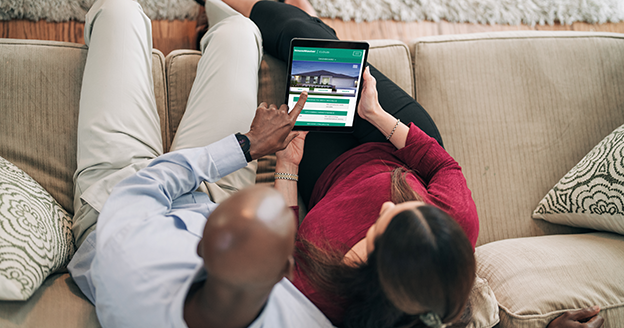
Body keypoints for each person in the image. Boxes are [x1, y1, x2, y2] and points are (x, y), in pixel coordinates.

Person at [218, 1, 608, 327]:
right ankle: (295, 12)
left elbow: (284, 250)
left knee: (311, 55)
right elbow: (443, 169)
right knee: (312, 44)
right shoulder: (452, 224)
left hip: (329, 170)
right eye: (404, 210)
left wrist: (288, 164)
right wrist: (376, 115)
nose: (389, 203)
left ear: (376, 268)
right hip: (397, 141)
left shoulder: (320, 292)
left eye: (386, 221)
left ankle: (295, 13)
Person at [66, 0, 335, 327]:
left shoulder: (127, 273)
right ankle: (214, 14)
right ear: (285, 273)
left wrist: (248, 145)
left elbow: (150, 183)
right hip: (213, 198)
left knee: (118, 12)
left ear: (200, 249)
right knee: (241, 31)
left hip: (118, 198)